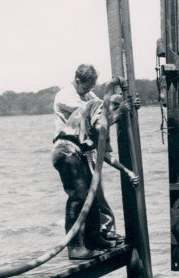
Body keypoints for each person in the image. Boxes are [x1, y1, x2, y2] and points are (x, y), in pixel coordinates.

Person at [51, 95, 139, 260]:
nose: (114, 111)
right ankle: (75, 247)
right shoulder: (96, 105)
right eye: (114, 106)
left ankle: (95, 240)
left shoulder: (107, 123)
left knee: (94, 197)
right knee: (79, 198)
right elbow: (98, 125)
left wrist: (127, 171)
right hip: (65, 151)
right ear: (110, 104)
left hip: (78, 154)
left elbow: (105, 155)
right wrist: (118, 113)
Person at [53, 64, 120, 243]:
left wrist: (116, 101)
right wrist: (116, 108)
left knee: (95, 193)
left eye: (92, 86)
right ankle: (76, 244)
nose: (90, 90)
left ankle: (100, 233)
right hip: (68, 149)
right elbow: (93, 111)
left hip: (83, 149)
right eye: (88, 86)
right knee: (79, 196)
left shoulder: (87, 93)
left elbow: (101, 106)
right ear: (78, 80)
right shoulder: (64, 96)